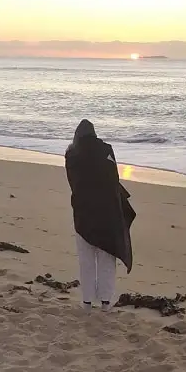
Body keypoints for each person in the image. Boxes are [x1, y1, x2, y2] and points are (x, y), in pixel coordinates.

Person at [64, 119, 136, 311]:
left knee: (86, 261)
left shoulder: (71, 154)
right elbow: (113, 178)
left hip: (82, 213)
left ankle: (87, 302)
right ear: (94, 133)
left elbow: (73, 182)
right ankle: (105, 302)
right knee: (106, 259)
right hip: (106, 213)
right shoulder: (106, 150)